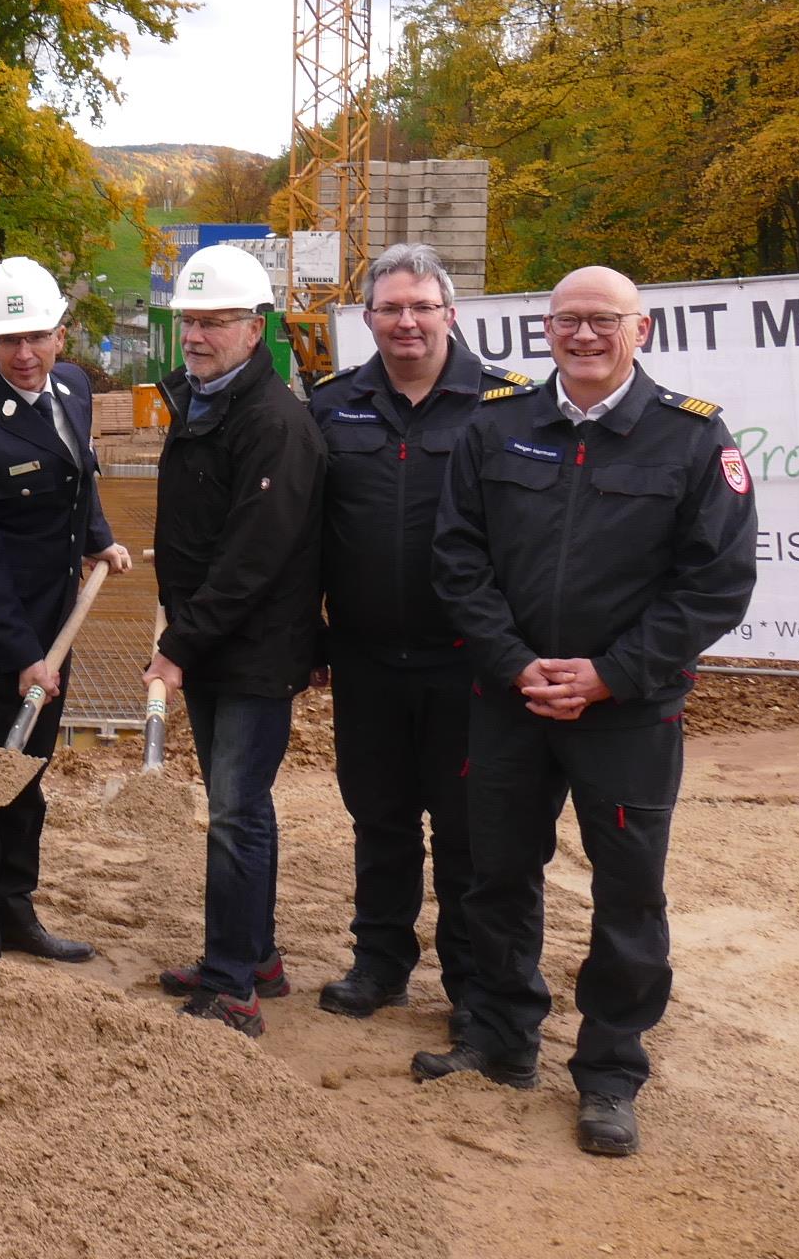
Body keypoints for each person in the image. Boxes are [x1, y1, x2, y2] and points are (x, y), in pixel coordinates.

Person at [424, 264, 756, 1159]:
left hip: (627, 713)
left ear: (640, 331)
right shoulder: (497, 428)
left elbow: (716, 585)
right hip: (511, 701)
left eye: (603, 321)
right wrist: (516, 663)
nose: (582, 336)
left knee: (629, 897)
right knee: (495, 872)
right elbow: (458, 560)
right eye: (567, 320)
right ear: (546, 331)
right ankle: (499, 1039)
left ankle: (610, 1073)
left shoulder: (692, 441)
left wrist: (610, 674)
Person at [309, 243, 530, 1032]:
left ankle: (470, 982)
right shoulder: (331, 407)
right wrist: (312, 635)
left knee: (469, 827)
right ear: (367, 319)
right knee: (380, 817)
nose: (406, 322)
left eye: (421, 307)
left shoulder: (508, 407)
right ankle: (380, 963)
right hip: (366, 659)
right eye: (391, 309)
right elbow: (307, 531)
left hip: (469, 664)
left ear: (450, 315)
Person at [0, 257, 131, 962]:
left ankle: (16, 912)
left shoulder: (72, 390)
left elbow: (80, 476)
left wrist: (101, 540)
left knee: (30, 779)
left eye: (37, 336)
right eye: (8, 339)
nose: (24, 353)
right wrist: (23, 658)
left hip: (55, 622)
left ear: (60, 337)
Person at [148, 243, 325, 1037]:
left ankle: (231, 987)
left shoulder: (274, 423)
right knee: (239, 806)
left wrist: (181, 643)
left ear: (255, 330)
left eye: (214, 321)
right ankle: (253, 956)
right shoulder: (201, 402)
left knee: (235, 813)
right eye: (189, 320)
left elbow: (255, 554)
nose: (197, 335)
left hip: (252, 650)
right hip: (218, 642)